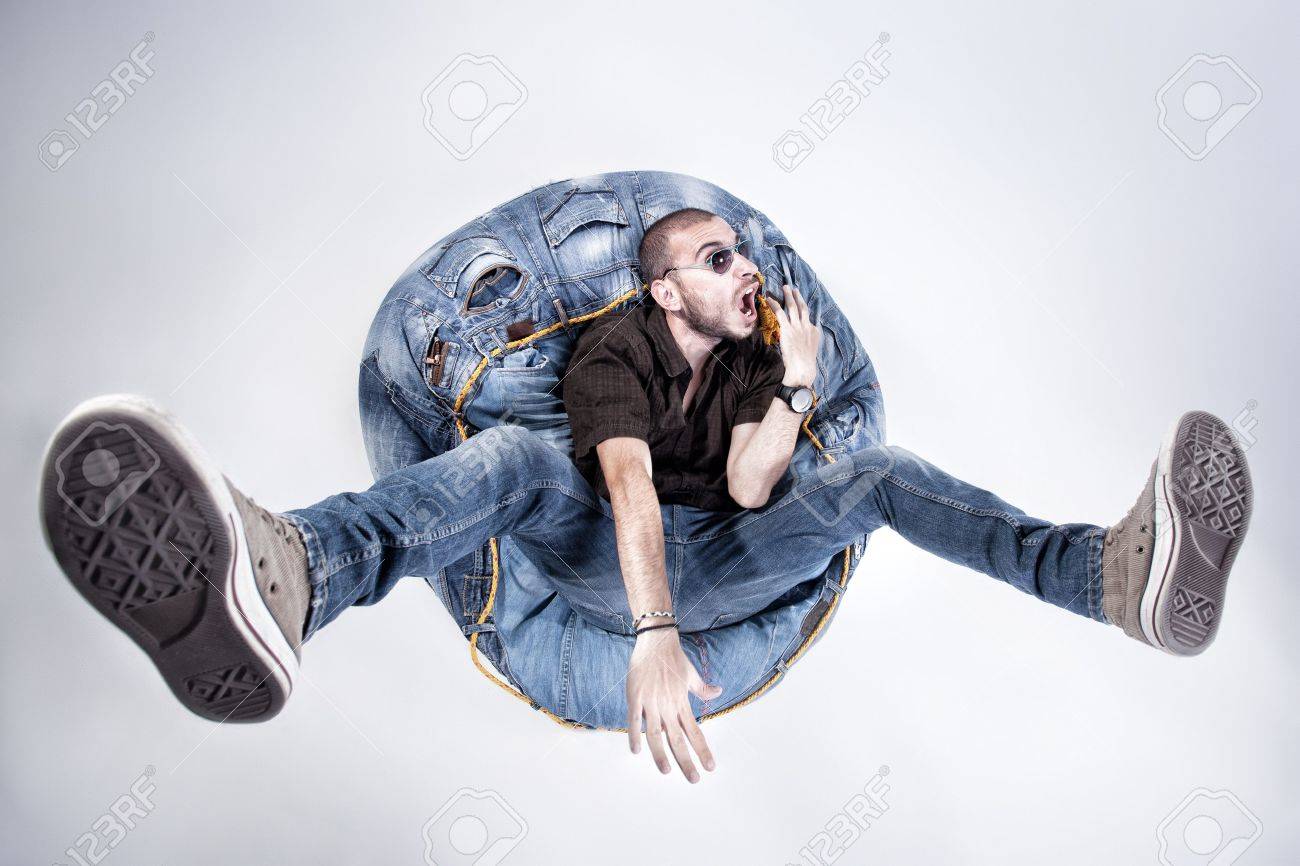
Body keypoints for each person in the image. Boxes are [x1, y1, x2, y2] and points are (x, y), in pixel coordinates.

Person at [39, 192, 1253, 785]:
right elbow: (622, 485)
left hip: (726, 556)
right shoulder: (608, 348)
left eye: (748, 255)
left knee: (871, 470)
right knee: (519, 461)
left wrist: (793, 381)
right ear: (664, 286)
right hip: (594, 562)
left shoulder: (744, 363)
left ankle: (1112, 577)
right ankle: (292, 573)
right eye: (721, 259)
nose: (749, 271)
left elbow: (747, 478)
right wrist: (655, 632)